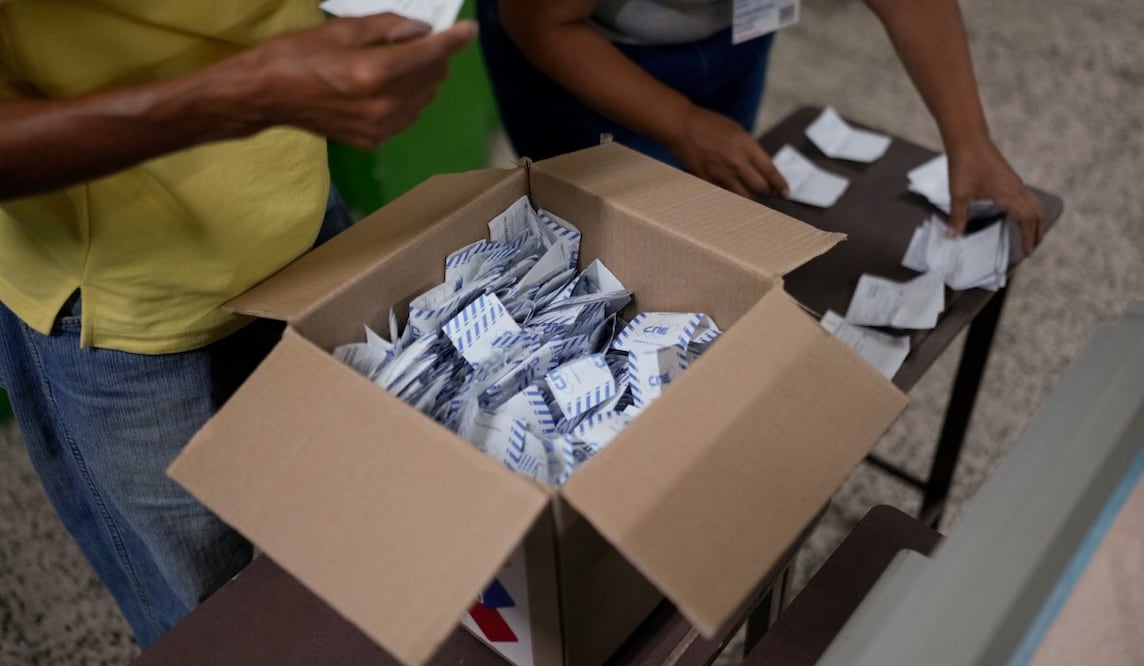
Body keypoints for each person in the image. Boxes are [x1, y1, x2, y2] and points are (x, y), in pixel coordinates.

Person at [0, 1, 476, 648]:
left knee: (355, 537)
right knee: (213, 622)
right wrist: (245, 97)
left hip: (295, 206)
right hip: (122, 308)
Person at [477, 0, 1046, 254]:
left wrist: (969, 137)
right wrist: (681, 123)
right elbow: (541, 24)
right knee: (604, 250)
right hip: (579, 48)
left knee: (713, 202)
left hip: (735, 34)